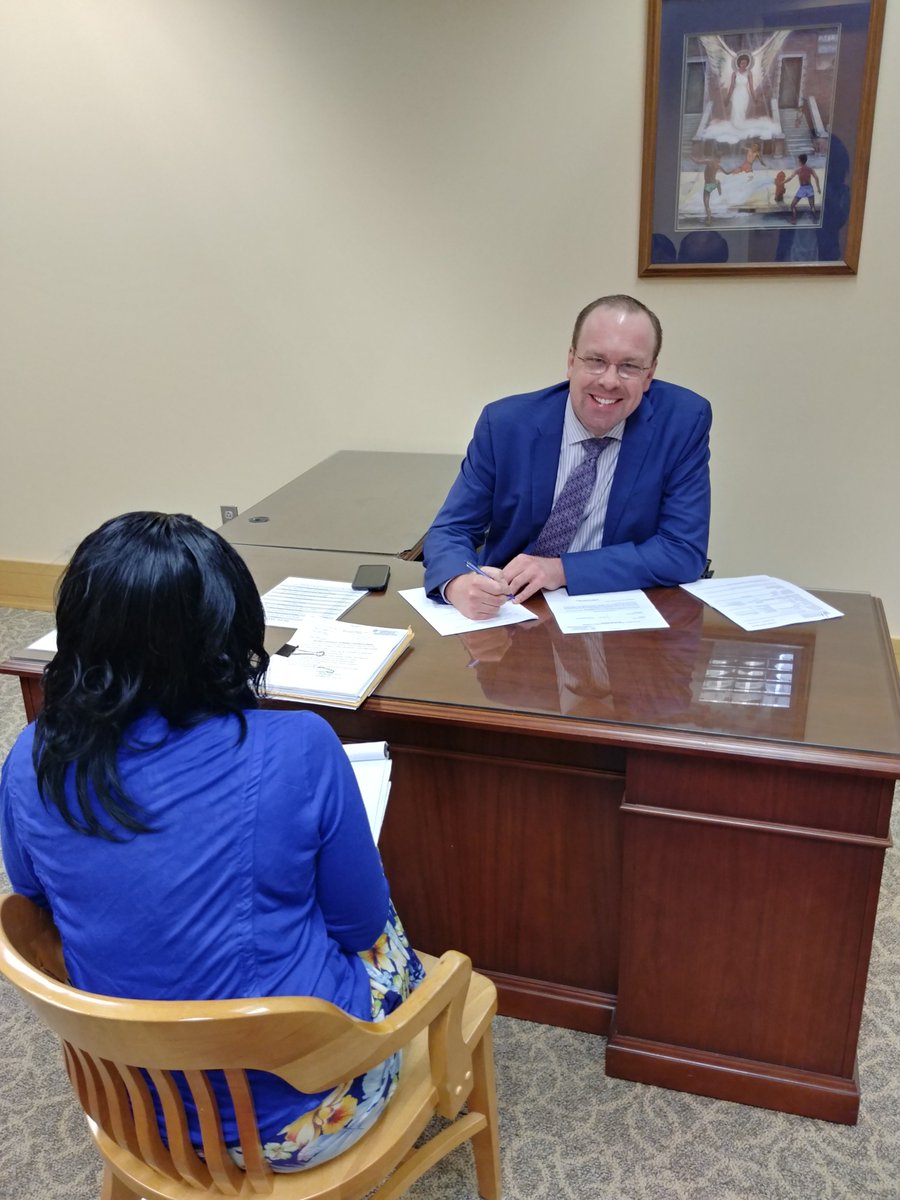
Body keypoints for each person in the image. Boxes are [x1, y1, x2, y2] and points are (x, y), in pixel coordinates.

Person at [0, 512, 424, 1172]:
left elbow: (32, 898)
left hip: (132, 1097)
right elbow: (359, 924)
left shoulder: (31, 753)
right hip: (297, 1115)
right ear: (228, 633)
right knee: (381, 924)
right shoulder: (301, 745)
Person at [423, 295, 711, 620]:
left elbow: (683, 550)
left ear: (649, 375)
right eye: (596, 360)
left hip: (621, 617)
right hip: (513, 614)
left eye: (629, 366)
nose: (609, 380)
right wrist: (458, 583)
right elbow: (451, 529)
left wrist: (561, 571)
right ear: (571, 361)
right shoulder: (506, 425)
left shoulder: (682, 423)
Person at [785, 153, 821, 223]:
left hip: (803, 188)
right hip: (809, 188)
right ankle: (815, 220)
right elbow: (816, 178)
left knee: (792, 205)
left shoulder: (798, 170)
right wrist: (818, 188)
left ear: (800, 161)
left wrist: (783, 182)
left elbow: (790, 178)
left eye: (798, 160)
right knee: (812, 206)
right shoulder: (809, 169)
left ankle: (794, 219)